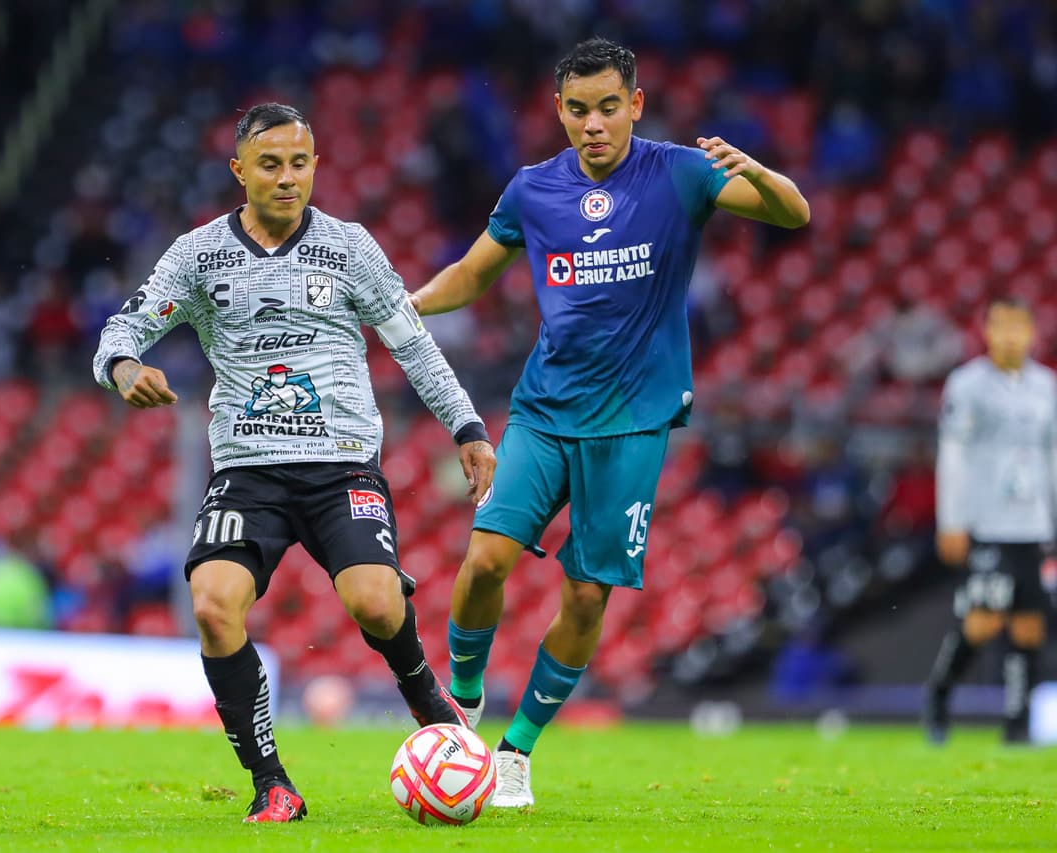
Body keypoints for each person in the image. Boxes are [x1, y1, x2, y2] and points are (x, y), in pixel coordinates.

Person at [409, 38, 810, 806]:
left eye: (607, 108)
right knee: (486, 557)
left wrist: (757, 170)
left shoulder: (681, 173)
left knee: (588, 595)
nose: (592, 124)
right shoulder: (532, 190)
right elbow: (469, 274)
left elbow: (795, 214)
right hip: (545, 409)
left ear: (636, 104)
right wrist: (404, 307)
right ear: (558, 110)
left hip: (632, 422)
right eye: (577, 110)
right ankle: (461, 699)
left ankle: (517, 751)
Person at [93, 103, 495, 823]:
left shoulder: (351, 247)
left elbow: (411, 342)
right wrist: (123, 365)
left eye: (300, 163)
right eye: (270, 164)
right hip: (247, 469)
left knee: (375, 602)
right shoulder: (197, 256)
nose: (286, 178)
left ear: (315, 166)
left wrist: (464, 422)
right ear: (239, 171)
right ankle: (272, 782)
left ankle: (426, 696)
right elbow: (125, 323)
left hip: (342, 464)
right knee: (215, 608)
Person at [923, 297, 1054, 745]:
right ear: (988, 332)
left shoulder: (1047, 387)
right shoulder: (967, 385)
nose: (1011, 335)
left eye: (1019, 326)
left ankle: (1016, 725)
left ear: (1033, 333)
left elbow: (1052, 456)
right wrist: (951, 520)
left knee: (1029, 622)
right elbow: (954, 455)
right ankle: (938, 695)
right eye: (1002, 326)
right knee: (983, 620)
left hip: (1032, 523)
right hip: (985, 522)